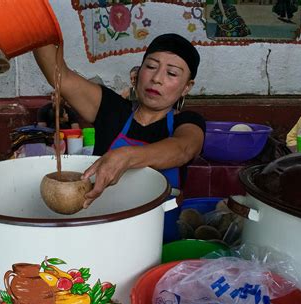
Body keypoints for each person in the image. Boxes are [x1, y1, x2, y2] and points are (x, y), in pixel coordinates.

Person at [33, 33, 205, 208]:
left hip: (159, 229)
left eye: (171, 73)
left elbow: (184, 149)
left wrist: (126, 157)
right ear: (139, 72)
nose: (156, 78)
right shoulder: (111, 109)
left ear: (186, 87)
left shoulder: (187, 122)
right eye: (151, 66)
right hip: (103, 224)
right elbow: (61, 76)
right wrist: (34, 24)